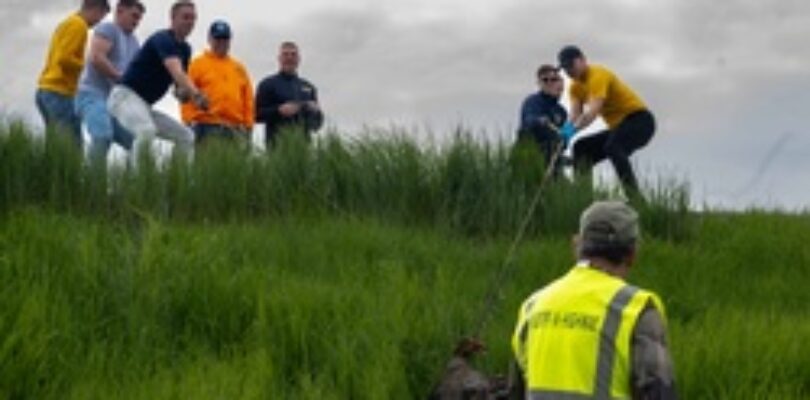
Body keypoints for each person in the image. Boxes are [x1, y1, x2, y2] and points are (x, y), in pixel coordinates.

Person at [510, 201, 677, 399]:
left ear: (576, 245)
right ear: (632, 254)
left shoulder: (533, 305)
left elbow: (516, 391)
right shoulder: (637, 308)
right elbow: (659, 392)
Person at [107, 0, 207, 163]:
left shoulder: (185, 49)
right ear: (173, 18)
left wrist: (186, 95)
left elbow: (179, 89)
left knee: (186, 136)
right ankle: (138, 182)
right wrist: (196, 94)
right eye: (186, 17)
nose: (190, 22)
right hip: (124, 97)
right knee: (146, 130)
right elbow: (176, 71)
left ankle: (178, 181)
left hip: (143, 105)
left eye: (193, 18)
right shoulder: (162, 39)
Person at [558, 46, 656, 199]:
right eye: (565, 68)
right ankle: (583, 199)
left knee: (613, 146)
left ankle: (635, 198)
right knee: (581, 148)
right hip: (619, 127)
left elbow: (592, 112)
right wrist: (565, 131)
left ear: (583, 60)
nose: (569, 70)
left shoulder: (598, 75)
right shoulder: (575, 87)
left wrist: (573, 130)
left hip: (640, 121)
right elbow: (575, 114)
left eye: (571, 65)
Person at [75, 0, 145, 165]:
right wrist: (121, 78)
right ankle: (94, 186)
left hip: (114, 103)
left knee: (136, 141)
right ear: (120, 11)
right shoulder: (108, 29)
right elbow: (97, 58)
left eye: (139, 19)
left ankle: (134, 186)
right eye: (134, 16)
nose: (136, 21)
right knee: (102, 135)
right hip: (91, 95)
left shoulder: (134, 42)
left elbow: (136, 73)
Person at [36, 0, 110, 145]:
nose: (98, 22)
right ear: (96, 9)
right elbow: (64, 59)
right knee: (71, 149)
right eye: (100, 17)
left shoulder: (67, 23)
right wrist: (86, 66)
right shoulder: (78, 25)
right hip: (60, 92)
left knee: (55, 146)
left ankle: (50, 168)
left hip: (46, 90)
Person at [180, 20, 254, 147]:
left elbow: (248, 99)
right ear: (209, 39)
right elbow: (185, 93)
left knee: (233, 166)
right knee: (206, 166)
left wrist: (248, 126)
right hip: (205, 126)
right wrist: (188, 121)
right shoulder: (197, 64)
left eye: (225, 39)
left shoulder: (239, 68)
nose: (221, 43)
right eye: (217, 38)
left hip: (235, 129)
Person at [255, 41, 323, 147]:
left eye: (293, 54)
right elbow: (256, 115)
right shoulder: (267, 84)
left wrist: (314, 112)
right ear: (279, 58)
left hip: (303, 148)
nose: (289, 58)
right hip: (276, 147)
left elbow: (317, 125)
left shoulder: (308, 87)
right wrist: (279, 111)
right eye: (285, 54)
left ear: (298, 59)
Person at [517, 64, 568, 177]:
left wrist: (564, 141)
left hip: (552, 161)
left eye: (554, 79)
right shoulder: (533, 101)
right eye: (545, 80)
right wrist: (539, 120)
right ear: (539, 84)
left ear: (561, 83)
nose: (550, 83)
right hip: (530, 157)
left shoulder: (562, 112)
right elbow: (529, 119)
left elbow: (562, 138)